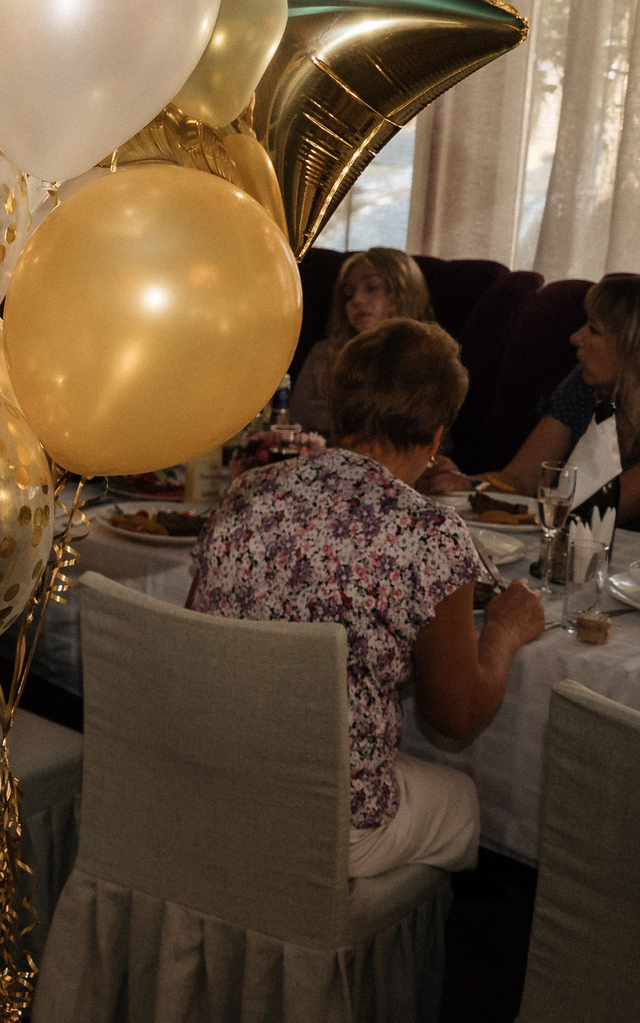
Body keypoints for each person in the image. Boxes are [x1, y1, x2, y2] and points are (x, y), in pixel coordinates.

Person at [193, 320, 547, 878]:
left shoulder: (247, 491)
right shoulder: (430, 535)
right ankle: (383, 949)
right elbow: (455, 715)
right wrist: (504, 629)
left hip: (214, 777)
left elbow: (197, 634)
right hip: (326, 820)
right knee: (461, 798)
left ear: (336, 413)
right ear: (436, 434)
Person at [421, 273, 640, 543]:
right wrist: (464, 484)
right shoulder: (587, 384)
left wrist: (477, 493)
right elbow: (520, 479)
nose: (575, 337)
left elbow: (592, 512)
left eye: (593, 329)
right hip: (579, 557)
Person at [286, 247, 437, 434]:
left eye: (372, 287)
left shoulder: (428, 359)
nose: (356, 300)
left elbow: (433, 440)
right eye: (348, 294)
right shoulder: (323, 355)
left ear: (403, 293)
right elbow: (293, 426)